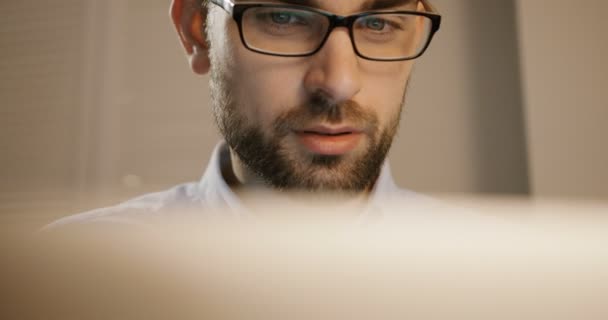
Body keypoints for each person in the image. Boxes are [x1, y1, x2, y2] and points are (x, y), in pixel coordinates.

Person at [47, 0, 442, 227]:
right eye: (283, 17)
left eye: (379, 23)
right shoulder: (57, 279)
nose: (338, 82)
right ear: (197, 32)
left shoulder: (500, 284)